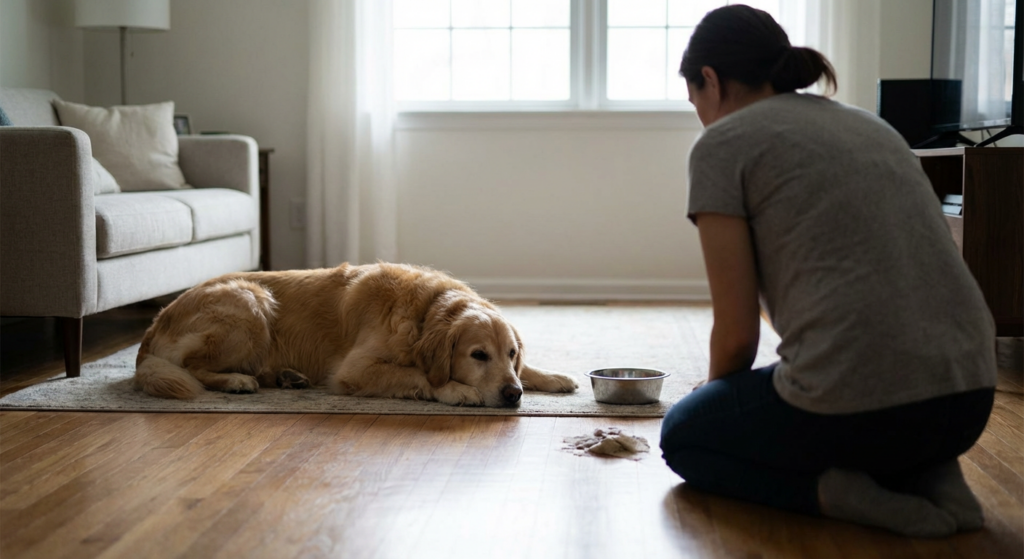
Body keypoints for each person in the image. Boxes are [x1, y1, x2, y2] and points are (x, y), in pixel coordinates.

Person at [659, 5, 997, 538]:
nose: (700, 114)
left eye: (695, 99)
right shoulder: (870, 125)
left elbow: (738, 337)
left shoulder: (722, 144)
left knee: (682, 435)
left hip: (862, 413)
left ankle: (835, 494)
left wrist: (715, 407)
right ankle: (935, 475)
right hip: (971, 398)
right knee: (888, 400)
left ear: (710, 80)